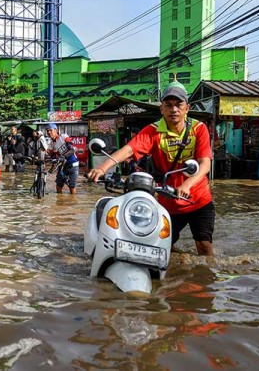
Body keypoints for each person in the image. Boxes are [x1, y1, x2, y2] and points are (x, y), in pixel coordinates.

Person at [88, 83, 214, 256]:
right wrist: (103, 167)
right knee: (160, 247)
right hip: (167, 201)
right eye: (168, 105)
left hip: (198, 199)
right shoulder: (153, 131)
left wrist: (187, 185)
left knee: (204, 246)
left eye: (179, 105)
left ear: (187, 108)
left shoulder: (198, 129)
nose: (174, 109)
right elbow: (130, 149)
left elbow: (205, 164)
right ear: (161, 109)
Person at [45, 123, 79, 194]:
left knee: (71, 186)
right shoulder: (51, 145)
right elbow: (53, 158)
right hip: (62, 166)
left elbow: (72, 150)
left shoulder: (63, 137)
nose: (49, 132)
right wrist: (52, 167)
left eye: (50, 130)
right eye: (47, 131)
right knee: (58, 186)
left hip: (72, 164)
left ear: (56, 130)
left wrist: (63, 156)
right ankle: (60, 202)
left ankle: (73, 202)